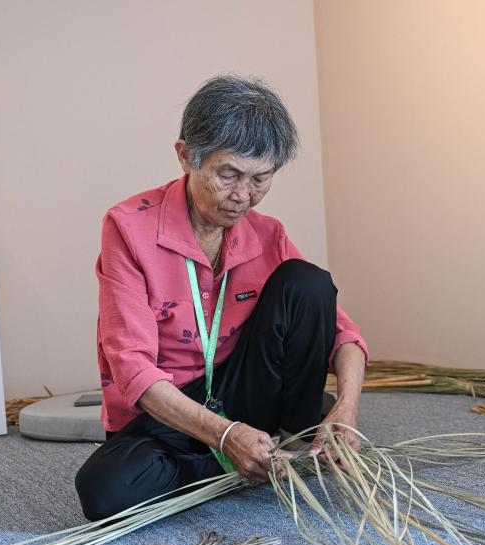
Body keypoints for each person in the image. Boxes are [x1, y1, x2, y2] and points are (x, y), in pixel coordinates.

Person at [75, 75, 368, 521]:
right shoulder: (128, 228)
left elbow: (344, 334)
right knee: (104, 494)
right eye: (228, 174)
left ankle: (271, 439)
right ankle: (243, 455)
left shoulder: (268, 234)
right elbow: (132, 368)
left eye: (260, 179)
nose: (241, 197)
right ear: (186, 156)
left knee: (307, 282)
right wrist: (224, 433)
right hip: (170, 404)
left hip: (243, 387)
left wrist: (347, 407)